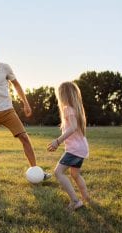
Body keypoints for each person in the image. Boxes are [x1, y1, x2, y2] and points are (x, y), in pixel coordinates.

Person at [0, 45, 51, 186]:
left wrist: (25, 103)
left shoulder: (5, 67)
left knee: (24, 138)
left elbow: (16, 85)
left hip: (7, 110)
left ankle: (37, 171)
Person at [47, 82, 91, 211]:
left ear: (63, 96)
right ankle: (86, 197)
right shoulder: (76, 109)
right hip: (82, 148)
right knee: (75, 174)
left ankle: (75, 201)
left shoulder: (68, 109)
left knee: (58, 172)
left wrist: (58, 141)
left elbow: (72, 128)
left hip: (75, 149)